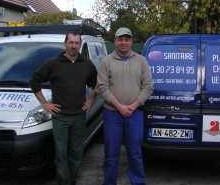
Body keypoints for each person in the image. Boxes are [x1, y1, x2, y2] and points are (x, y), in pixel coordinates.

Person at [30, 31, 97, 185]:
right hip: (60, 117)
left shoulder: (87, 64)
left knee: (76, 154)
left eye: (77, 43)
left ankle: (72, 180)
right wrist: (44, 104)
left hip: (79, 116)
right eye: (71, 42)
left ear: (80, 44)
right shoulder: (53, 63)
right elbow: (34, 81)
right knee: (61, 154)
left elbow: (97, 83)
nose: (74, 46)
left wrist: (90, 101)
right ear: (65, 44)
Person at [96, 27, 154, 185]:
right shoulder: (106, 61)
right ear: (115, 41)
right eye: (120, 39)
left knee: (135, 153)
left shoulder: (141, 61)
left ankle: (138, 182)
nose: (123, 42)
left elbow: (148, 87)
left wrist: (133, 105)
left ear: (131, 41)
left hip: (135, 114)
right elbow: (102, 87)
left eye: (126, 39)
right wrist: (119, 106)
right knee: (111, 153)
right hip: (112, 115)